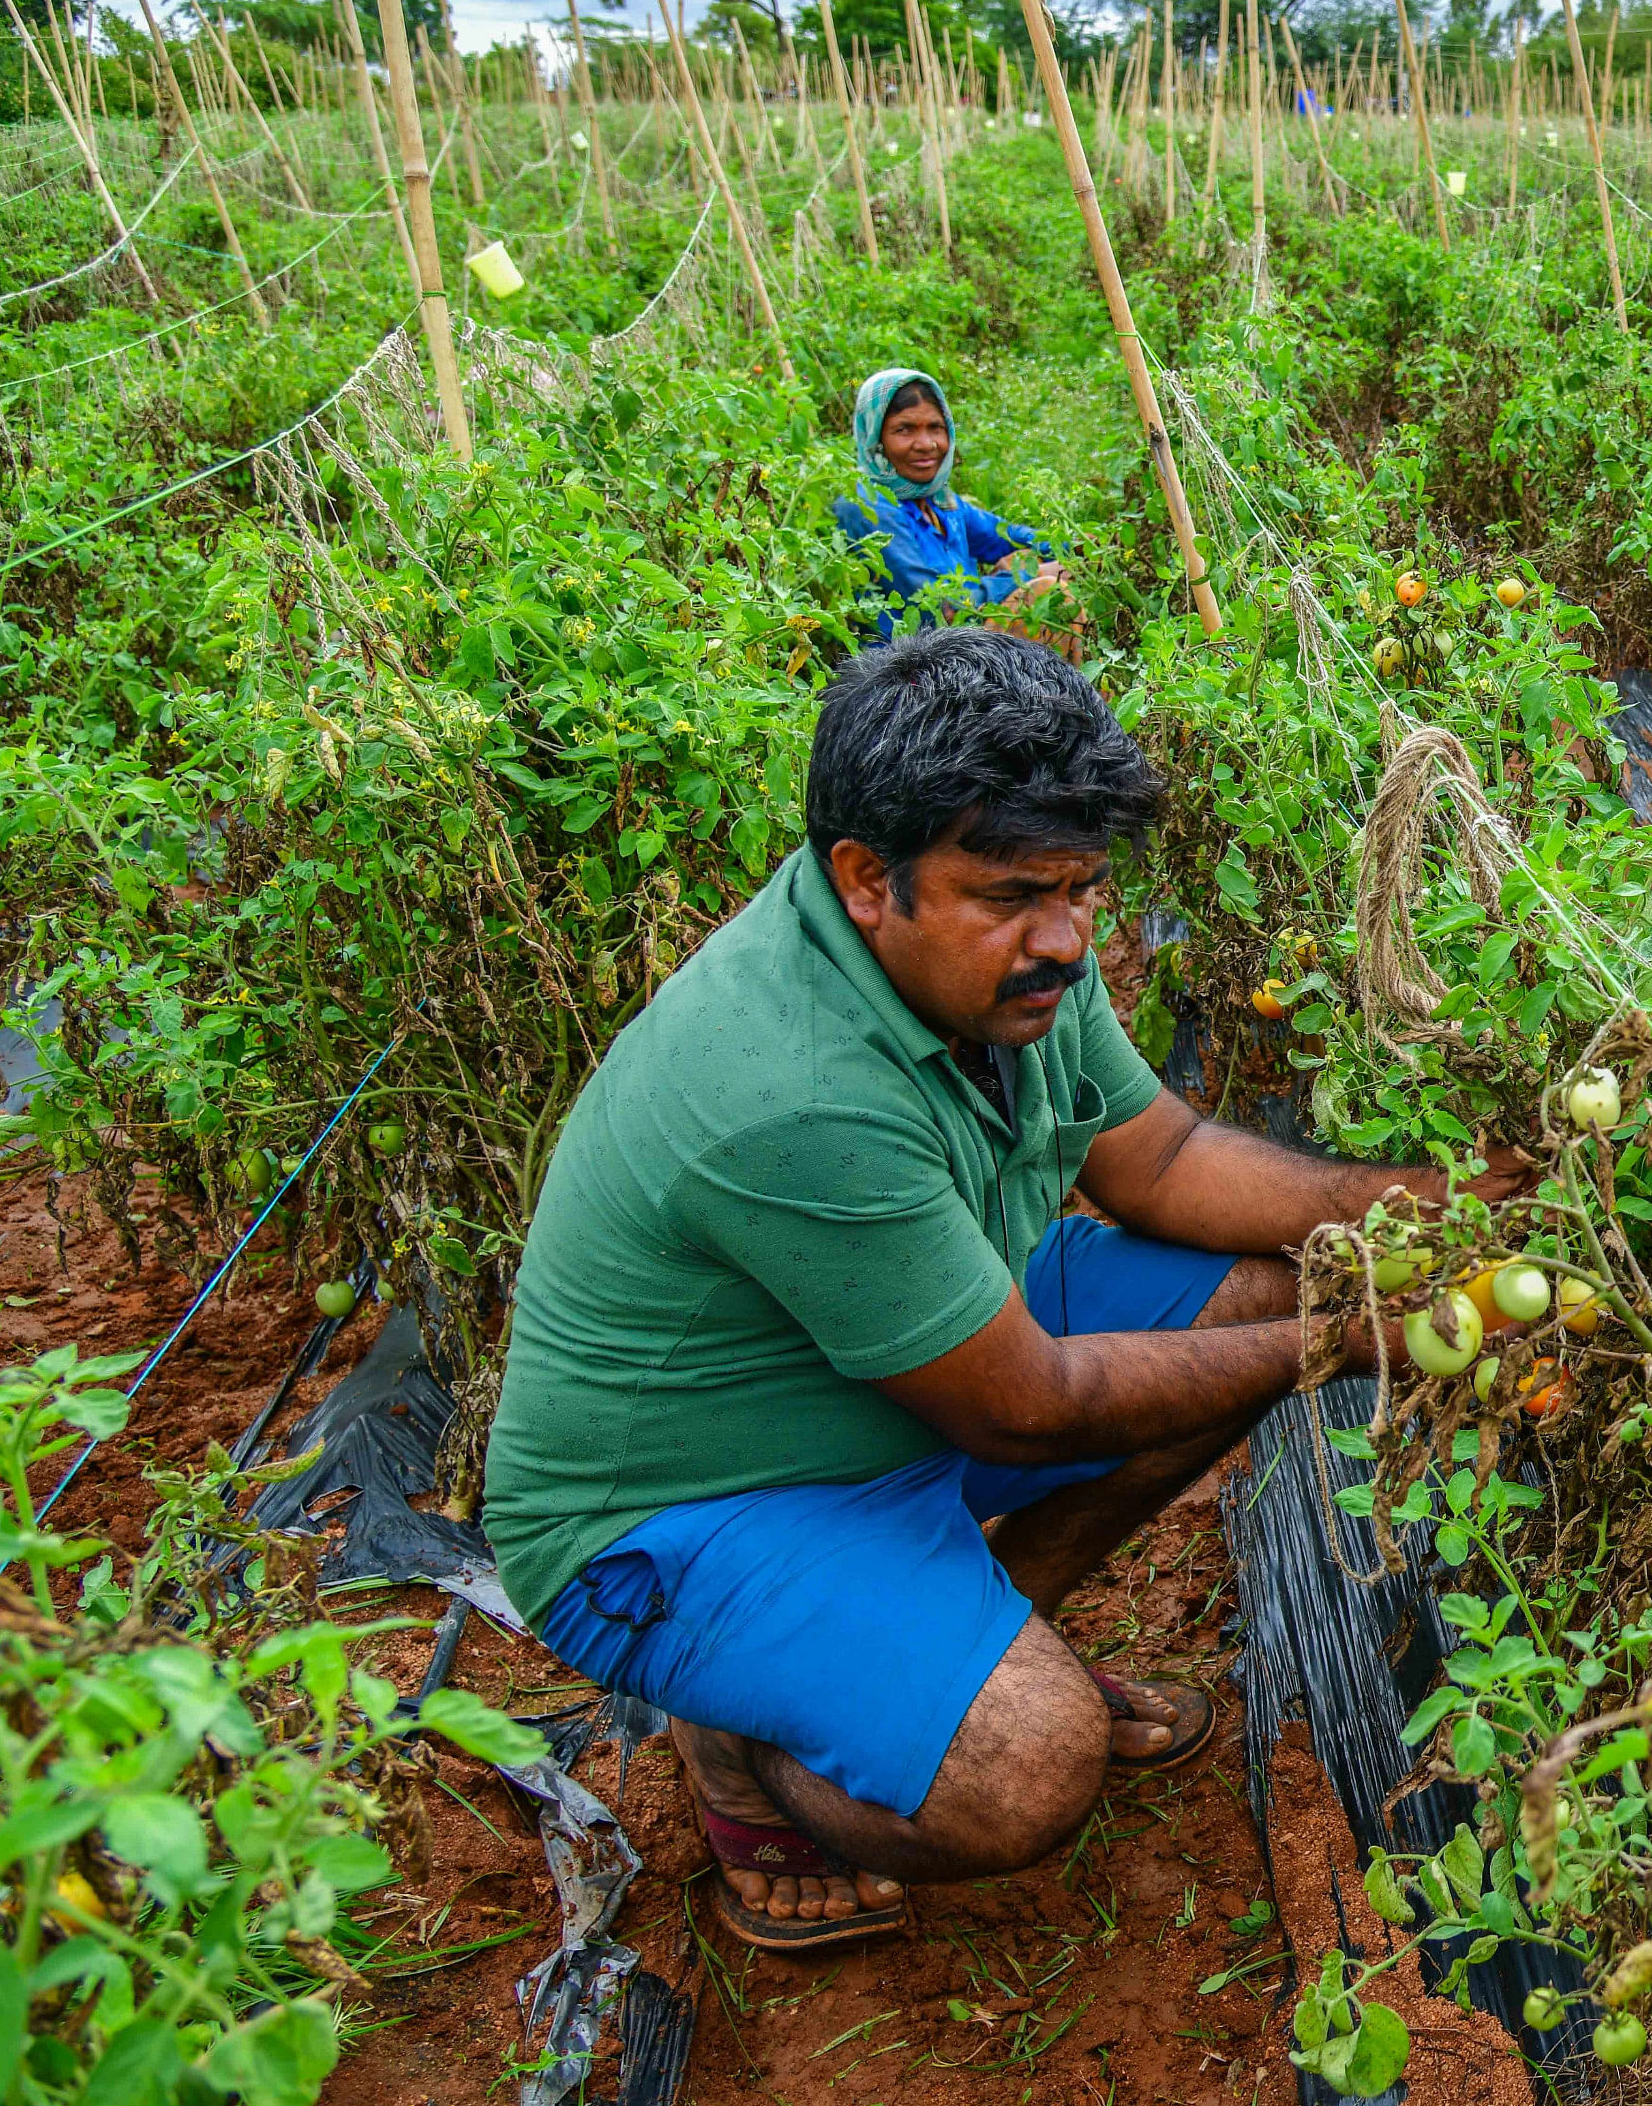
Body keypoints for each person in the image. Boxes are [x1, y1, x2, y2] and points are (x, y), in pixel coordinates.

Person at [482, 626, 1526, 1952]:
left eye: (1086, 889)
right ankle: (755, 1756)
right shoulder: (789, 1091)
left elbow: (1163, 1159)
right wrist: (1349, 1334)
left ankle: (948, 1643)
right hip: (693, 1509)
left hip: (891, 1376)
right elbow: (1027, 1408)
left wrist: (1439, 1203)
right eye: (1016, 895)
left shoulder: (1005, 963)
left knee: (1261, 1297)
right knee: (1028, 1763)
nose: (1066, 939)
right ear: (869, 879)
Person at [834, 369, 1071, 636]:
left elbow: (1008, 535)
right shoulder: (866, 505)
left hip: (958, 644)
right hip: (905, 664)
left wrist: (1075, 548)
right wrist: (1027, 575)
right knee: (1046, 592)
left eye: (935, 428)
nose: (926, 444)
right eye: (904, 430)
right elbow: (939, 606)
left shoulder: (940, 503)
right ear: (876, 439)